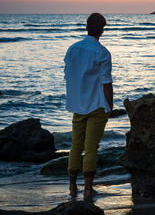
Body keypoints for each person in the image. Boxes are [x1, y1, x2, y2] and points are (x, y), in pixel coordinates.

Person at [64, 13, 113, 200]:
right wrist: (110, 105)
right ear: (102, 30)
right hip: (97, 104)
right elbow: (106, 83)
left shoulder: (72, 49)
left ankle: (72, 186)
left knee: (76, 145)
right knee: (91, 147)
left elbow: (68, 75)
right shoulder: (102, 52)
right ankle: (88, 188)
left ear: (86, 27)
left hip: (78, 104)